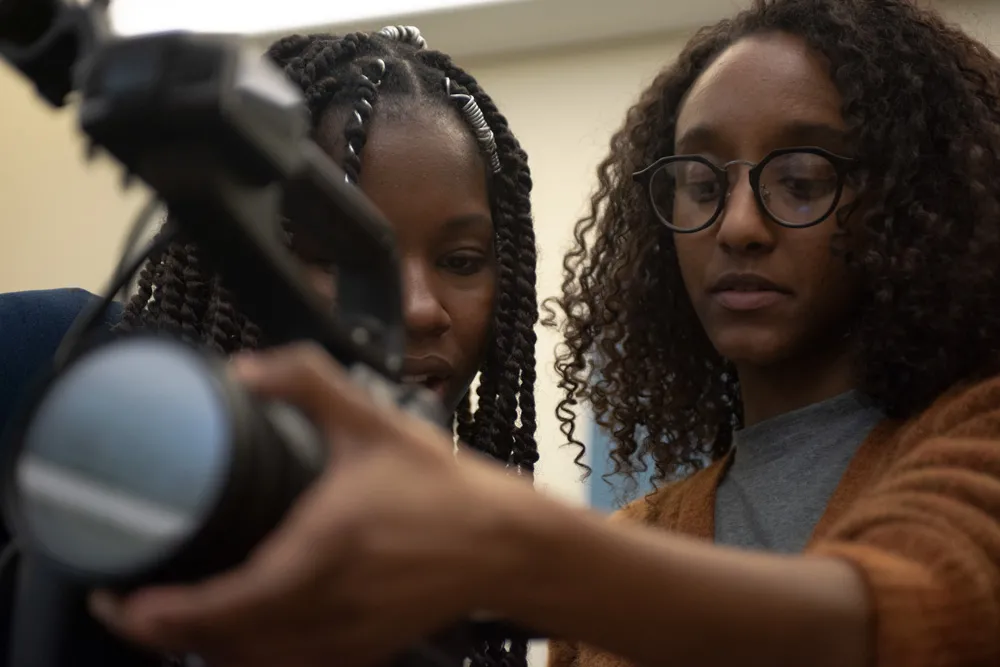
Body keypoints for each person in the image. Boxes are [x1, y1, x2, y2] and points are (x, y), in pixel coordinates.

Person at [82, 0, 1000, 666]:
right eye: (701, 181)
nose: (739, 225)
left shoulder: (976, 439)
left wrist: (515, 554)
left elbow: (915, 617)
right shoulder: (643, 536)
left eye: (801, 178)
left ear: (914, 204)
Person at [0, 25, 539, 667]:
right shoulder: (40, 359)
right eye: (348, 257)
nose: (422, 309)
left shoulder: (432, 587)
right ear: (235, 250)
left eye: (460, 259)